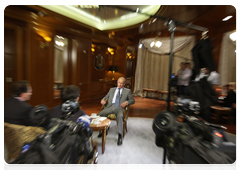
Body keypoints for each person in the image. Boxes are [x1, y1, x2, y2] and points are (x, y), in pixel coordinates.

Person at [98, 77, 135, 145]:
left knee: (120, 116)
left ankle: (120, 135)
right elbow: (106, 97)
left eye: (121, 83)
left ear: (124, 84)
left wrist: (126, 102)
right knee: (100, 114)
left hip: (120, 108)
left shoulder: (127, 91)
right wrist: (102, 100)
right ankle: (104, 130)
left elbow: (132, 100)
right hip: (110, 107)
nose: (120, 84)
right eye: (119, 83)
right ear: (117, 82)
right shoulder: (112, 89)